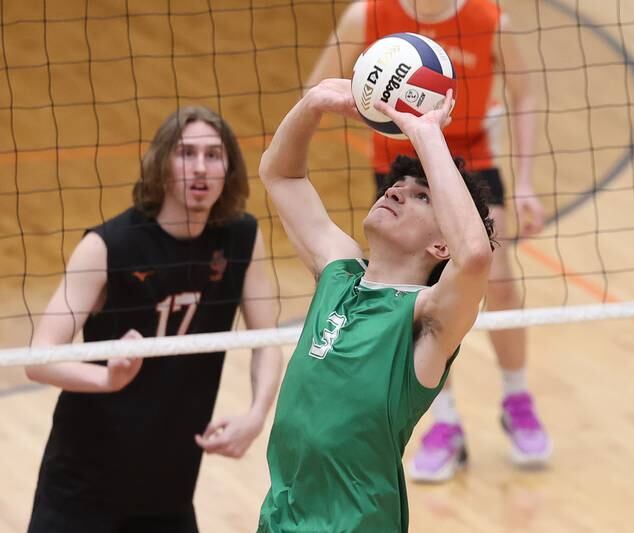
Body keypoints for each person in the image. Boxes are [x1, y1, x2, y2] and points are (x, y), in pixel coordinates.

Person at [306, 0, 551, 481]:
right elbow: (315, 86)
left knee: (497, 278)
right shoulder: (367, 17)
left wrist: (524, 180)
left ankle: (517, 399)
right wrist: (371, 106)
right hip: (402, 169)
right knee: (416, 300)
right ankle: (445, 424)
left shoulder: (488, 20)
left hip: (472, 162)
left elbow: (523, 94)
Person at [24, 106, 284, 533]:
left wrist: (256, 416)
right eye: (186, 153)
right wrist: (107, 379)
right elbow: (38, 359)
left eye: (214, 155)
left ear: (229, 169)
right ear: (161, 164)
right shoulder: (108, 246)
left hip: (169, 489)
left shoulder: (240, 238)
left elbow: (266, 340)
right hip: (82, 487)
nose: (200, 168)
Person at [256, 79, 493, 532]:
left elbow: (475, 256)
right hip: (279, 520)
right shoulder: (337, 273)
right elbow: (280, 175)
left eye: (420, 194)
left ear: (442, 244)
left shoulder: (427, 318)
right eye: (397, 185)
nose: (396, 191)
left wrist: (426, 133)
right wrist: (312, 105)